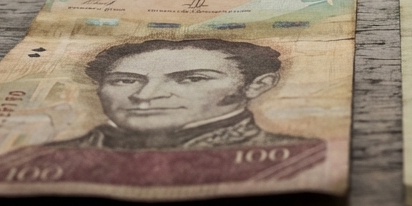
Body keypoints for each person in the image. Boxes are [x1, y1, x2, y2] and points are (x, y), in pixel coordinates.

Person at [49, 38, 309, 151]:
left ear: (258, 85)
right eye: (125, 80)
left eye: (192, 79)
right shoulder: (43, 159)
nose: (145, 95)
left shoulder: (302, 157)